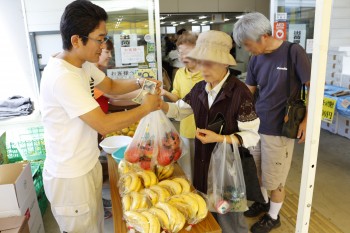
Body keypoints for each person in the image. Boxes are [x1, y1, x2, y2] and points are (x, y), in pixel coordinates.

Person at [39, 1, 161, 232]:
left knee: (94, 226)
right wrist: (146, 108)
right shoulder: (63, 76)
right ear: (76, 40)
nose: (103, 45)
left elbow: (112, 85)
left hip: (87, 164)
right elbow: (102, 123)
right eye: (99, 38)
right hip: (71, 175)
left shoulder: (81, 64)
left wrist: (140, 82)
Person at [161, 30, 260, 233]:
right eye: (201, 62)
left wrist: (220, 138)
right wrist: (158, 105)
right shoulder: (199, 89)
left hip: (228, 167)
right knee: (208, 208)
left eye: (210, 63)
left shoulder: (239, 93)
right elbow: (180, 110)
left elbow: (251, 136)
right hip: (203, 161)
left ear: (225, 63)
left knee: (231, 215)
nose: (203, 69)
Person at [233, 12, 311, 233]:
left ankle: (273, 216)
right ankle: (262, 201)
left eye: (248, 45)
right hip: (256, 127)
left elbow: (313, 86)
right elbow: (249, 91)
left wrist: (307, 121)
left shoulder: (292, 52)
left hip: (280, 129)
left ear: (264, 36)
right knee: (257, 172)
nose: (248, 50)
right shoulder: (256, 58)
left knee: (275, 179)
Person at [162, 32, 203, 182]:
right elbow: (177, 97)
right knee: (188, 170)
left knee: (205, 168)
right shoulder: (179, 73)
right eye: (180, 52)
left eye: (188, 52)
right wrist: (164, 92)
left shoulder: (208, 74)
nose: (183, 57)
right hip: (186, 128)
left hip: (207, 131)